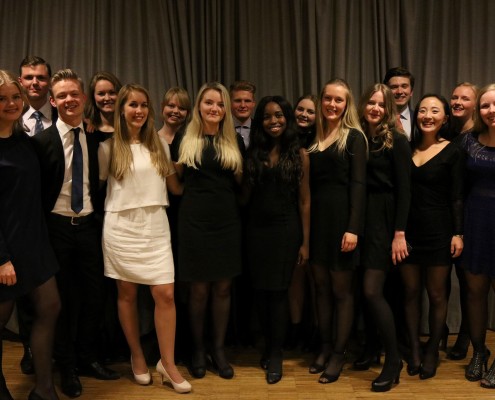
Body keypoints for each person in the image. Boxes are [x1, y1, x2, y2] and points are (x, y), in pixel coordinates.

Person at [31, 69, 119, 398]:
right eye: (62, 96)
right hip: (56, 229)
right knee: (64, 302)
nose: (69, 100)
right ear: (53, 102)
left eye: (74, 94)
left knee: (95, 297)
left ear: (83, 97)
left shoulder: (96, 138)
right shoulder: (41, 143)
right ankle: (66, 366)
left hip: (90, 228)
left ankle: (87, 357)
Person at [98, 84, 191, 393]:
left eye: (143, 105)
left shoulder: (160, 145)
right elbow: (96, 189)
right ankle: (137, 356)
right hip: (121, 226)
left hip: (155, 225)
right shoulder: (108, 148)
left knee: (165, 294)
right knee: (126, 294)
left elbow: (175, 188)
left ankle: (168, 363)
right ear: (121, 109)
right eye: (132, 105)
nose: (139, 110)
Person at [0, 70, 61, 400]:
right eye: (2, 99)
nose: (11, 103)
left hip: (33, 243)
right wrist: (2, 259)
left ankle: (44, 388)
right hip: (5, 250)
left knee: (50, 307)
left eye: (15, 97)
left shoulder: (24, 141)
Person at [176, 82, 243, 380]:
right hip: (194, 224)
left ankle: (218, 350)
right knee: (199, 290)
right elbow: (175, 184)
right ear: (199, 106)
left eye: (220, 104)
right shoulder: (185, 137)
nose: (214, 108)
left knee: (223, 289)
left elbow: (241, 184)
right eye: (209, 103)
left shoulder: (234, 141)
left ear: (226, 109)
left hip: (227, 224)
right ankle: (198, 350)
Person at [243, 96, 310, 384]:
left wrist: (305, 242)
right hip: (256, 232)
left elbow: (305, 201)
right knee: (260, 292)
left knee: (280, 293)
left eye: (279, 115)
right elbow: (244, 198)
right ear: (261, 122)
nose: (274, 121)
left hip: (286, 230)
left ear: (287, 119)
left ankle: (275, 354)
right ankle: (269, 346)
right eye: (268, 116)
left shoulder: (300, 155)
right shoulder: (253, 154)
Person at [400, 94, 464, 380]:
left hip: (440, 232)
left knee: (437, 294)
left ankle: (433, 351)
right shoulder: (406, 148)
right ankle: (415, 348)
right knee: (411, 292)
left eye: (435, 111)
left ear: (445, 118)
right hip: (408, 232)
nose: (427, 115)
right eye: (423, 110)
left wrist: (458, 233)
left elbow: (457, 197)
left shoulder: (453, 151)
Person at [308, 78, 367, 384]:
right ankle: (325, 345)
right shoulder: (313, 135)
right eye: (328, 98)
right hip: (317, 223)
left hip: (342, 224)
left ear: (347, 104)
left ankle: (338, 354)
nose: (332, 104)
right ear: (321, 101)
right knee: (320, 289)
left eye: (339, 100)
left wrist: (353, 228)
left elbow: (359, 186)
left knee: (342, 292)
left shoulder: (354, 137)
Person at [357, 83, 411, 391]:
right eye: (371, 103)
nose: (375, 108)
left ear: (388, 109)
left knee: (372, 290)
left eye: (381, 104)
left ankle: (394, 360)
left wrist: (399, 233)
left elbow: (405, 190)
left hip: (384, 218)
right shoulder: (358, 136)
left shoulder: (397, 141)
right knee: (361, 288)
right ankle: (370, 348)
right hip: (361, 218)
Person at [459, 84, 495, 388]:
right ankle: (479, 352)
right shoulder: (468, 141)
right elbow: (457, 187)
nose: (491, 111)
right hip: (476, 222)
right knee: (474, 291)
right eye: (485, 105)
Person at [447, 82, 478, 361]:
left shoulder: (478, 137)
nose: (457, 102)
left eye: (465, 98)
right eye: (454, 97)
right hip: (448, 216)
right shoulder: (450, 133)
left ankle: (467, 338)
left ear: (475, 104)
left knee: (470, 283)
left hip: (470, 217)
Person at [286, 94, 317, 350]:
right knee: (296, 275)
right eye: (300, 109)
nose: (304, 115)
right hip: (293, 214)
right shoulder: (285, 139)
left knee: (318, 278)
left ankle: (316, 331)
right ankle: (295, 330)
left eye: (310, 111)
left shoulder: (322, 140)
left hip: (322, 214)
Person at [18, 56, 57, 136]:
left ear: (50, 81)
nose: (35, 82)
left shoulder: (62, 115)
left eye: (41, 78)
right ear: (20, 82)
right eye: (29, 78)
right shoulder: (11, 115)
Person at [84, 71, 122, 136]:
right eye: (101, 94)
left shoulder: (130, 128)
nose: (107, 98)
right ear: (93, 97)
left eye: (112, 93)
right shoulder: (85, 129)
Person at [383, 67, 415, 139]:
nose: (399, 92)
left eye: (404, 86)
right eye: (394, 87)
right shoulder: (378, 119)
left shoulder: (419, 119)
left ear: (411, 92)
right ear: (386, 91)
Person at [230, 80, 256, 149]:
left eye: (247, 101)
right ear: (230, 103)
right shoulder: (220, 129)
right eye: (238, 101)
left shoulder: (261, 129)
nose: (243, 105)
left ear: (253, 104)